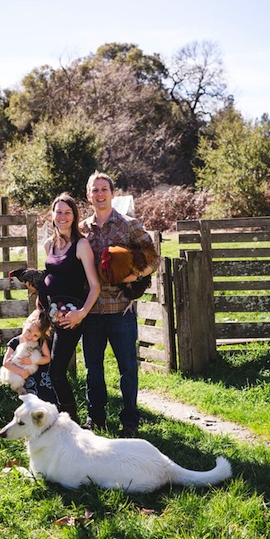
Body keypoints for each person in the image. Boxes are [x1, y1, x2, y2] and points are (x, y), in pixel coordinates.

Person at [80, 171, 159, 437]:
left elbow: (154, 258)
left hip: (120, 309)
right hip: (92, 310)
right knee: (93, 369)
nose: (100, 194)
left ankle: (130, 421)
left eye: (104, 189)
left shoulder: (129, 225)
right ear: (88, 195)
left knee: (127, 368)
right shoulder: (81, 229)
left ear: (113, 193)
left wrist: (135, 276)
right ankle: (96, 418)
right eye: (95, 190)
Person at [37, 193, 100, 423]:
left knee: (56, 372)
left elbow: (95, 286)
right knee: (49, 369)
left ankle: (70, 423)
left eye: (67, 212)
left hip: (71, 317)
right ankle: (56, 418)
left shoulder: (81, 245)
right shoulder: (49, 244)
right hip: (52, 316)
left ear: (74, 216)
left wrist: (80, 314)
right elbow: (51, 276)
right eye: (59, 212)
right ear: (52, 215)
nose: (62, 216)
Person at [0, 309, 55, 401]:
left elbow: (47, 358)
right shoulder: (15, 342)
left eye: (35, 335)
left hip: (39, 373)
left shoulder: (41, 342)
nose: (30, 336)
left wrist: (32, 361)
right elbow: (6, 363)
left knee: (47, 394)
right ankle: (21, 391)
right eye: (29, 331)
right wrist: (21, 371)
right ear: (24, 325)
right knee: (25, 388)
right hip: (21, 373)